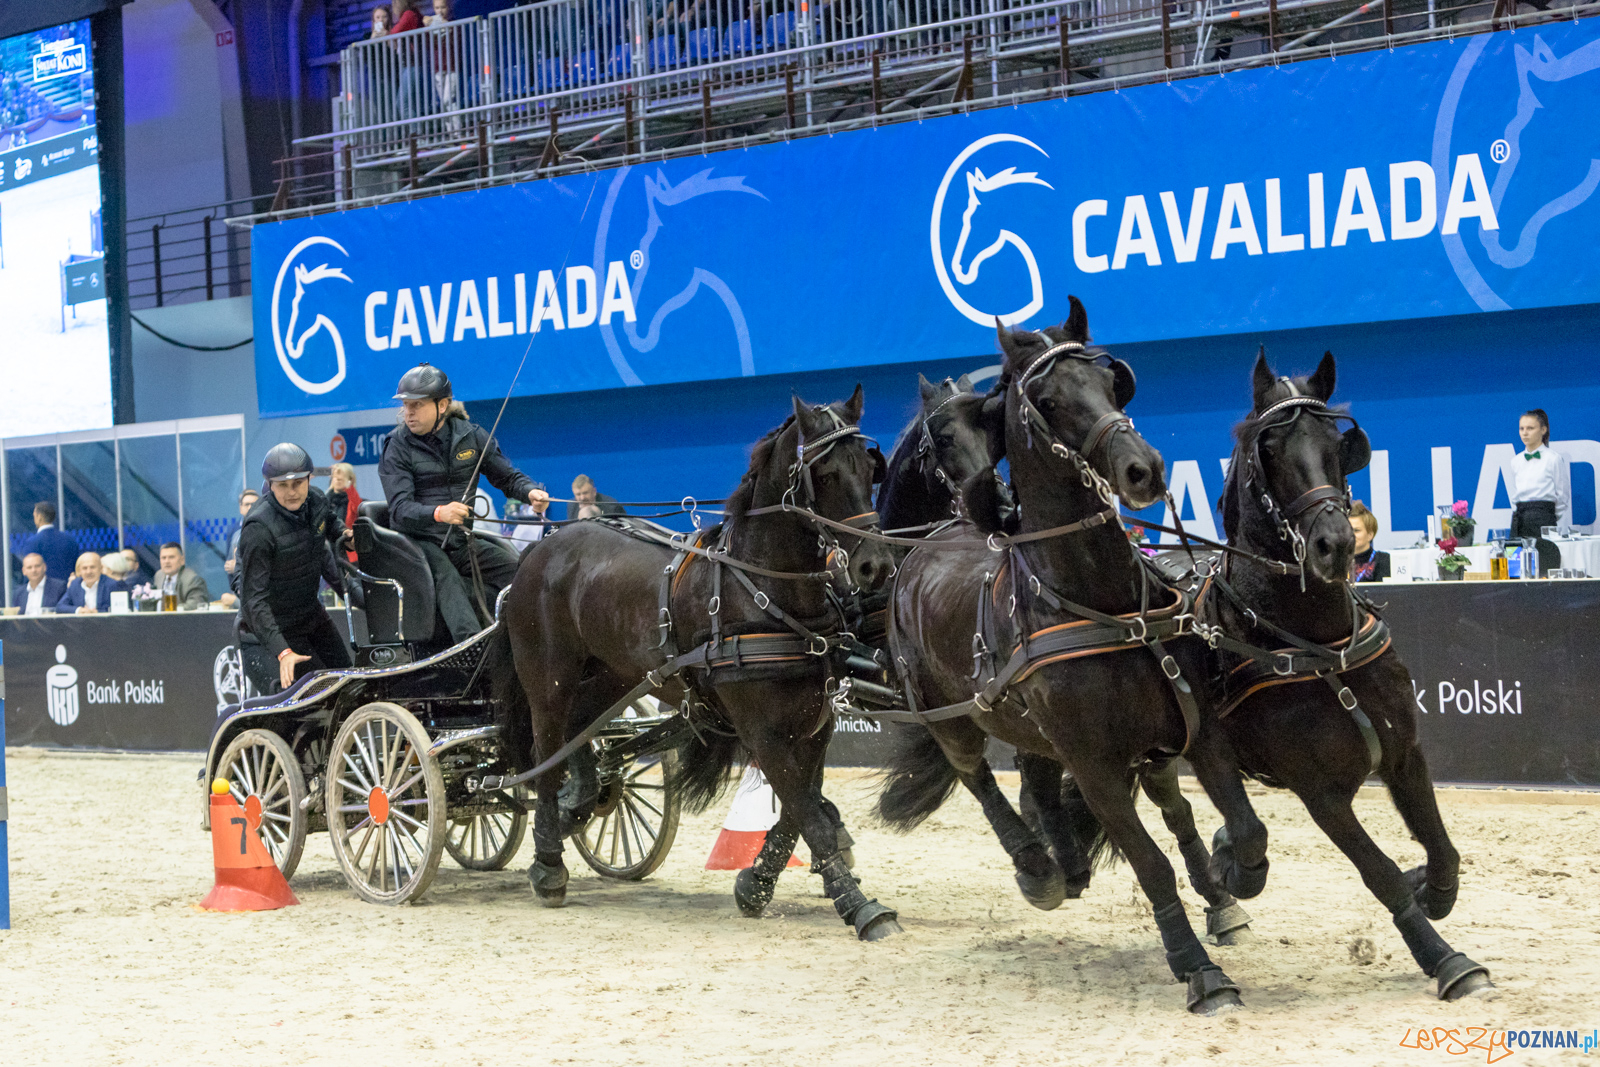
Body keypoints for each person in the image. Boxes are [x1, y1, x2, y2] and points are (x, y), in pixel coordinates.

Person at [377, 363, 551, 643]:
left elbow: (506, 477)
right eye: (406, 405)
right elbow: (399, 509)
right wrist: (439, 513)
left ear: (442, 405)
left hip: (460, 539)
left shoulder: (471, 435)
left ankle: (527, 640)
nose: (408, 413)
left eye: (417, 405)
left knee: (517, 570)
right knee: (448, 579)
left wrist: (530, 492)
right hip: (418, 543)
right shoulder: (396, 446)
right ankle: (471, 648)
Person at [237, 443, 356, 694]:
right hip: (267, 633)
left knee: (349, 687)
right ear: (269, 484)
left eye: (298, 484)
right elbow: (253, 601)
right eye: (282, 485)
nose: (292, 492)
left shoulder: (317, 499)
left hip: (311, 618)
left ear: (309, 479)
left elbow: (332, 525)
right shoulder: (258, 529)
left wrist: (348, 535)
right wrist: (283, 651)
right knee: (309, 702)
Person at [1510, 408, 1571, 538]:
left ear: (1543, 430)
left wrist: (1548, 515)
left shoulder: (1553, 459)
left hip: (1544, 518)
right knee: (1516, 557)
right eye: (1522, 429)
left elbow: (1562, 495)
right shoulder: (1516, 461)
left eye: (1530, 428)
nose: (1525, 433)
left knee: (1545, 557)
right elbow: (1514, 494)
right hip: (1519, 520)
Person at [221, 489, 261, 607]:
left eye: (253, 504)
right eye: (246, 504)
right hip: (239, 593)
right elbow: (230, 565)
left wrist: (239, 566)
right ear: (240, 507)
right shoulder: (234, 532)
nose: (250, 507)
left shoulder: (267, 529)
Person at [20, 502, 79, 581]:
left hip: (44, 591)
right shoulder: (70, 540)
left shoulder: (32, 543)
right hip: (67, 590)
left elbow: (29, 574)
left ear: (39, 516)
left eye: (34, 515)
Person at [57, 552, 124, 613]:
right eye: (84, 568)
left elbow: (119, 609)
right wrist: (79, 610)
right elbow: (60, 606)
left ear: (100, 568)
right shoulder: (75, 584)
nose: (88, 572)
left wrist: (97, 613)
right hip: (80, 625)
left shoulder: (112, 584)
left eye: (92, 567)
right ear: (80, 571)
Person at [156, 542, 211, 609]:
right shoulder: (159, 576)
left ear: (182, 560)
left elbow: (195, 605)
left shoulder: (193, 580)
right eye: (163, 558)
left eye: (171, 557)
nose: (167, 561)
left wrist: (172, 610)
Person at [328, 462, 363, 562]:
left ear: (349, 480)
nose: (338, 481)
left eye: (341, 479)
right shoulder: (326, 499)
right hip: (330, 553)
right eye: (336, 478)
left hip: (348, 553)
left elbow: (357, 507)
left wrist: (349, 486)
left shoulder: (352, 500)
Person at [1348, 501, 1390, 582]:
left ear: (1370, 535)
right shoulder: (1336, 562)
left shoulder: (1384, 561)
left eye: (1356, 530)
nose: (1351, 535)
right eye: (1347, 530)